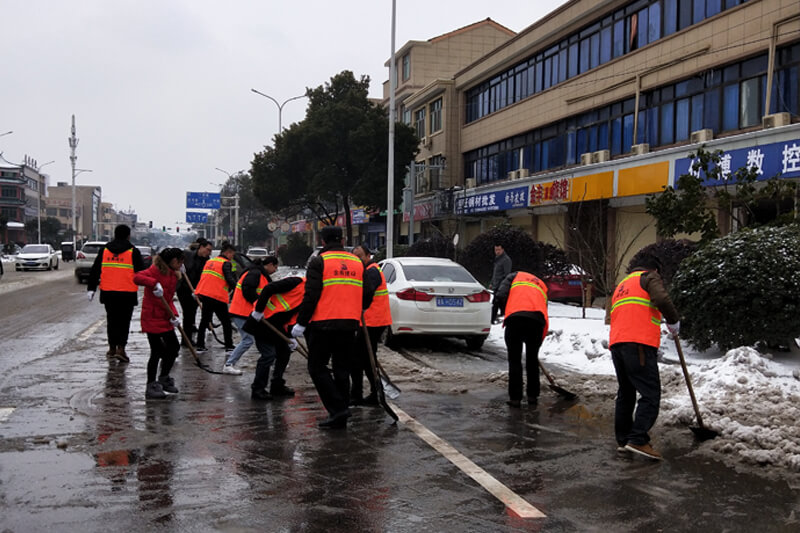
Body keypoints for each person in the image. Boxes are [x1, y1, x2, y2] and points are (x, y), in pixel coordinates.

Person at [290, 226, 366, 429]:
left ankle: (338, 409)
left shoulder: (319, 261)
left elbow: (311, 294)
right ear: (341, 240)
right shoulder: (357, 262)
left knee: (316, 368)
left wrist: (301, 322)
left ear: (322, 241)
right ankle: (340, 414)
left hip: (323, 324)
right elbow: (366, 293)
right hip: (350, 324)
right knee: (342, 369)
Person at [609, 254, 680, 461]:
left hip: (618, 343)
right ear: (655, 270)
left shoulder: (622, 285)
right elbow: (661, 299)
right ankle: (638, 439)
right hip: (638, 343)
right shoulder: (648, 277)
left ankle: (624, 440)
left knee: (626, 392)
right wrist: (673, 320)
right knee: (650, 393)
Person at [87, 224, 145, 363]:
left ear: (115, 234)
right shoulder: (133, 251)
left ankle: (112, 348)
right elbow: (141, 272)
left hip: (108, 292)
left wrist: (91, 288)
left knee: (112, 320)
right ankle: (121, 349)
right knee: (124, 322)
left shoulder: (105, 250)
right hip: (127, 293)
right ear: (128, 236)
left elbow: (95, 269)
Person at [133, 248, 184, 399]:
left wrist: (174, 316)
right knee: (157, 351)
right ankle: (151, 385)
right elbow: (137, 277)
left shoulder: (173, 274)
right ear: (172, 261)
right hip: (152, 317)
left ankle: (164, 377)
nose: (181, 265)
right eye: (180, 262)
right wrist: (154, 283)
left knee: (174, 347)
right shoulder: (154, 271)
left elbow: (168, 299)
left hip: (165, 317)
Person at [245, 274, 307, 399]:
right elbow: (268, 288)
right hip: (262, 321)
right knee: (268, 355)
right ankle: (258, 389)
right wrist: (259, 310)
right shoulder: (296, 282)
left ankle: (277, 385)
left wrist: (290, 336)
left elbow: (292, 317)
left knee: (284, 352)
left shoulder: (310, 295)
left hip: (277, 325)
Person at [494, 270, 549, 408]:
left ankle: (515, 398)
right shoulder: (541, 284)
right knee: (532, 360)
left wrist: (506, 310)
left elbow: (500, 295)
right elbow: (544, 308)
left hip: (515, 320)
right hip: (536, 322)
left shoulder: (513, 277)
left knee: (514, 360)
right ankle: (532, 396)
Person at [350, 244, 391, 406]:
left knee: (360, 359)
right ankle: (372, 393)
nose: (357, 260)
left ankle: (363, 394)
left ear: (368, 256)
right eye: (354, 257)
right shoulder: (366, 271)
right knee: (365, 358)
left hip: (373, 321)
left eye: (360, 256)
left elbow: (366, 292)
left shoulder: (372, 272)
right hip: (370, 320)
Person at [223, 256, 278, 375]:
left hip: (248, 313)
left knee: (262, 337)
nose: (275, 270)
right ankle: (229, 364)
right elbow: (248, 291)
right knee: (248, 340)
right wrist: (259, 306)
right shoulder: (255, 273)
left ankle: (272, 360)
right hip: (241, 312)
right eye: (275, 267)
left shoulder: (261, 275)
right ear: (270, 265)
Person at [194, 242, 237, 353]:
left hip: (205, 294)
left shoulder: (210, 261)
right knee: (226, 322)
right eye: (232, 255)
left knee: (204, 321)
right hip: (217, 296)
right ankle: (229, 345)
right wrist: (238, 289)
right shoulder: (226, 263)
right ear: (228, 253)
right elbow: (229, 278)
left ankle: (200, 345)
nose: (232, 257)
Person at [176, 238, 213, 345]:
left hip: (197, 290)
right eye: (207, 249)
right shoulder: (187, 255)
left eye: (210, 251)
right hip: (184, 289)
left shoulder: (207, 261)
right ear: (201, 247)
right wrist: (179, 269)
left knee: (192, 314)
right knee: (188, 314)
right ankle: (186, 340)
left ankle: (187, 338)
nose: (209, 252)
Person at [490, 243, 512, 324]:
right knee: (500, 303)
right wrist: (492, 282)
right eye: (496, 250)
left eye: (499, 250)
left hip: (501, 286)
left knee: (496, 303)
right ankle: (502, 316)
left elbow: (506, 274)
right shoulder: (497, 259)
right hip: (496, 285)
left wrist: (502, 286)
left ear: (502, 249)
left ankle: (493, 319)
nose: (497, 251)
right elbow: (495, 273)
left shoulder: (506, 260)